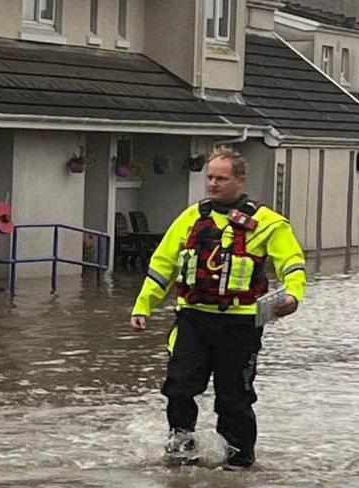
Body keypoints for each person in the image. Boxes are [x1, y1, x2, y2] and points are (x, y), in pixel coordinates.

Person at [130, 146, 306, 469]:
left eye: (221, 178)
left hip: (240, 324)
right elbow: (163, 265)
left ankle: (239, 462)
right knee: (179, 388)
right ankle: (181, 451)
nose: (212, 183)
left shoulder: (268, 223)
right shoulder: (191, 218)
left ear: (240, 179)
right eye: (209, 177)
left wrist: (293, 296)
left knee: (234, 397)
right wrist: (143, 306)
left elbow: (292, 263)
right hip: (193, 319)